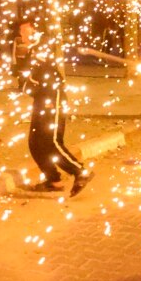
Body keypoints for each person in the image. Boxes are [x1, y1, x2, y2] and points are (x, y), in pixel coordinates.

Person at [18, 21, 93, 197]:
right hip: (40, 99)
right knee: (35, 143)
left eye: (25, 32)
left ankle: (80, 172)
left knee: (51, 142)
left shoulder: (42, 46)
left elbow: (46, 71)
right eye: (21, 33)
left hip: (52, 98)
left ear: (35, 31)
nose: (22, 36)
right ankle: (53, 180)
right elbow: (23, 73)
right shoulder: (32, 51)